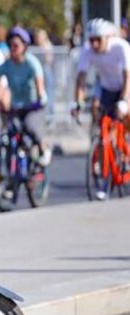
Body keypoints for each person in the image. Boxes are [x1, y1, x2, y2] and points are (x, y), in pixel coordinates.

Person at [72, 18, 130, 201]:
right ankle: (104, 176)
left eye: (98, 39)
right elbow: (81, 78)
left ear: (107, 37)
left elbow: (128, 76)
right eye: (91, 40)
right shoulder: (88, 51)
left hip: (125, 86)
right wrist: (77, 103)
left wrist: (124, 100)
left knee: (125, 119)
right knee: (103, 130)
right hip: (106, 88)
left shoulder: (120, 47)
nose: (94, 44)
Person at [0, 27, 52, 168]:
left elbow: (39, 85)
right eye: (10, 45)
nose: (12, 49)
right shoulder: (6, 65)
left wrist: (41, 98)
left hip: (33, 106)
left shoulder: (32, 63)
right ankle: (10, 175)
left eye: (16, 45)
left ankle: (43, 149)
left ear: (24, 46)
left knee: (30, 127)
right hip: (16, 106)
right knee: (8, 134)